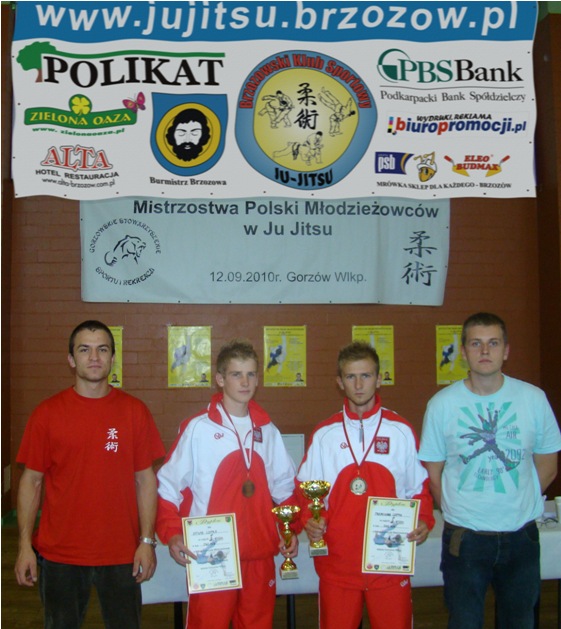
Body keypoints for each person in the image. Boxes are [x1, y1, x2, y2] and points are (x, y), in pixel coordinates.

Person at [14, 320, 165, 629]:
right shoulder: (46, 414)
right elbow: (32, 481)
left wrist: (147, 541)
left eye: (102, 350)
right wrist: (24, 545)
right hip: (60, 555)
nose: (94, 357)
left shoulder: (134, 411)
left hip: (122, 553)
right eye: (84, 350)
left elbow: (145, 480)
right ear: (71, 359)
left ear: (112, 358)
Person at [419, 312, 561, 629]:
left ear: (506, 350)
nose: (485, 351)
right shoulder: (442, 405)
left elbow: (548, 466)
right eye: (476, 344)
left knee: (519, 622)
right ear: (463, 351)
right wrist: (459, 511)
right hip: (465, 538)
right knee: (464, 622)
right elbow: (433, 473)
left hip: (521, 536)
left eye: (493, 343)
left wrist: (516, 500)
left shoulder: (533, 400)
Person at [156, 339, 298, 629]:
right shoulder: (198, 428)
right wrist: (172, 533)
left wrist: (290, 528)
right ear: (220, 379)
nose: (245, 382)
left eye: (251, 374)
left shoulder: (268, 430)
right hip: (212, 552)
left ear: (258, 378)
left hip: (259, 555)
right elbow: (168, 486)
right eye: (236, 374)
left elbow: (285, 488)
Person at [296, 341, 434, 629]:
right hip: (338, 566)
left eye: (366, 375)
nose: (359, 385)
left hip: (390, 563)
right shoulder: (324, 435)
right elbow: (305, 491)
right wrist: (311, 519)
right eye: (351, 376)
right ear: (339, 382)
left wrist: (423, 518)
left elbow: (418, 488)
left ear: (379, 379)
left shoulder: (401, 431)